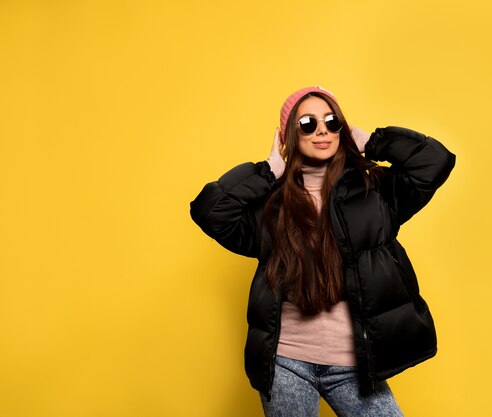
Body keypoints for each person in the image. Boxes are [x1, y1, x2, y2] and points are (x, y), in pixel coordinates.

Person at [190, 86, 456, 416]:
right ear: (289, 134)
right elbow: (209, 210)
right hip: (286, 364)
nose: (321, 130)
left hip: (355, 367)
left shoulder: (374, 189)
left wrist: (373, 142)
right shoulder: (271, 203)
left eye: (332, 122)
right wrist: (267, 171)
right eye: (307, 123)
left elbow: (436, 160)